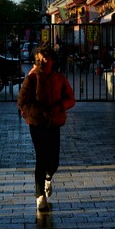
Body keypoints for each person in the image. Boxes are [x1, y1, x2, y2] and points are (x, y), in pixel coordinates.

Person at [17, 43, 76, 211]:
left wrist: (59, 107)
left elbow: (70, 99)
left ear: (52, 60)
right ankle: (40, 195)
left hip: (54, 122)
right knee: (41, 157)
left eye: (45, 59)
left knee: (54, 160)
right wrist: (35, 112)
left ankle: (48, 177)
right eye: (38, 59)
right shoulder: (32, 78)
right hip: (37, 123)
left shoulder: (59, 78)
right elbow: (21, 102)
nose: (42, 62)